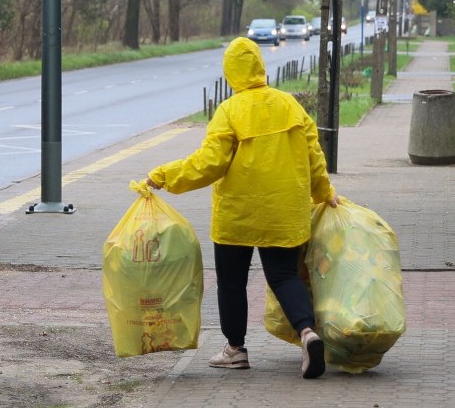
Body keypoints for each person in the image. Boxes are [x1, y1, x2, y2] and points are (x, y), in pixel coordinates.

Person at [145, 37, 339, 379]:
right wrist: (325, 193)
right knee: (283, 276)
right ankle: (308, 333)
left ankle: (235, 350)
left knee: (232, 281)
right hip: (284, 211)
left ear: (232, 72)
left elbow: (209, 164)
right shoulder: (290, 105)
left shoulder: (229, 111)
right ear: (260, 66)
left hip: (237, 214)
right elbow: (314, 157)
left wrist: (166, 176)